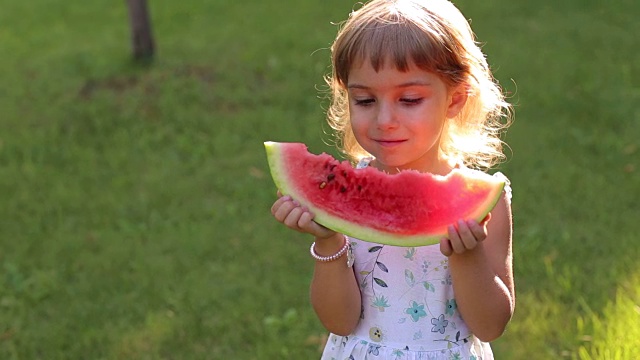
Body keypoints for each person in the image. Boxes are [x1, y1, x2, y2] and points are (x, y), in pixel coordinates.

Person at [270, 0, 514, 358]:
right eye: (365, 100)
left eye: (410, 99)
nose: (384, 119)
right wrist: (328, 242)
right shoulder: (345, 195)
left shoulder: (486, 200)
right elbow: (339, 321)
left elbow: (491, 325)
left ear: (455, 98)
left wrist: (467, 255)